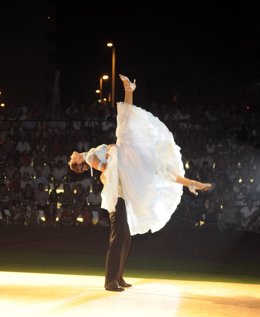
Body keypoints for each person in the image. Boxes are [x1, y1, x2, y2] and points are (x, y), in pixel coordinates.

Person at [68, 74, 212, 292]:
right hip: (118, 193)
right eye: (73, 158)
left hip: (124, 181)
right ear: (78, 163)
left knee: (126, 234)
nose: (74, 154)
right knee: (119, 237)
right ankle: (110, 280)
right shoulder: (88, 158)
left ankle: (119, 276)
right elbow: (104, 167)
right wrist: (111, 155)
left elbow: (108, 168)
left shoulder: (105, 154)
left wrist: (114, 157)